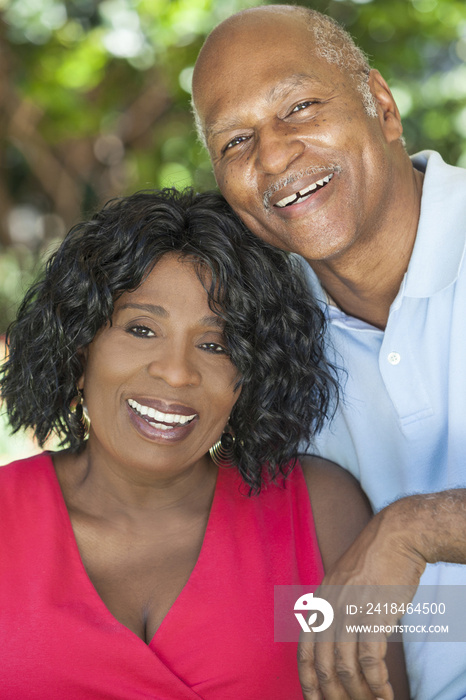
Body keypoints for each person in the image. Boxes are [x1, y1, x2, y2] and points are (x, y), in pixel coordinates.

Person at [0, 188, 409, 698]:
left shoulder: (320, 513)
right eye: (142, 329)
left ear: (250, 375)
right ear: (80, 347)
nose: (175, 373)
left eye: (215, 344)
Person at [191, 5, 466, 700]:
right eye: (235, 141)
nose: (275, 156)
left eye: (300, 107)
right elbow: (298, 600)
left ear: (381, 104)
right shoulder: (257, 345)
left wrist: (415, 530)